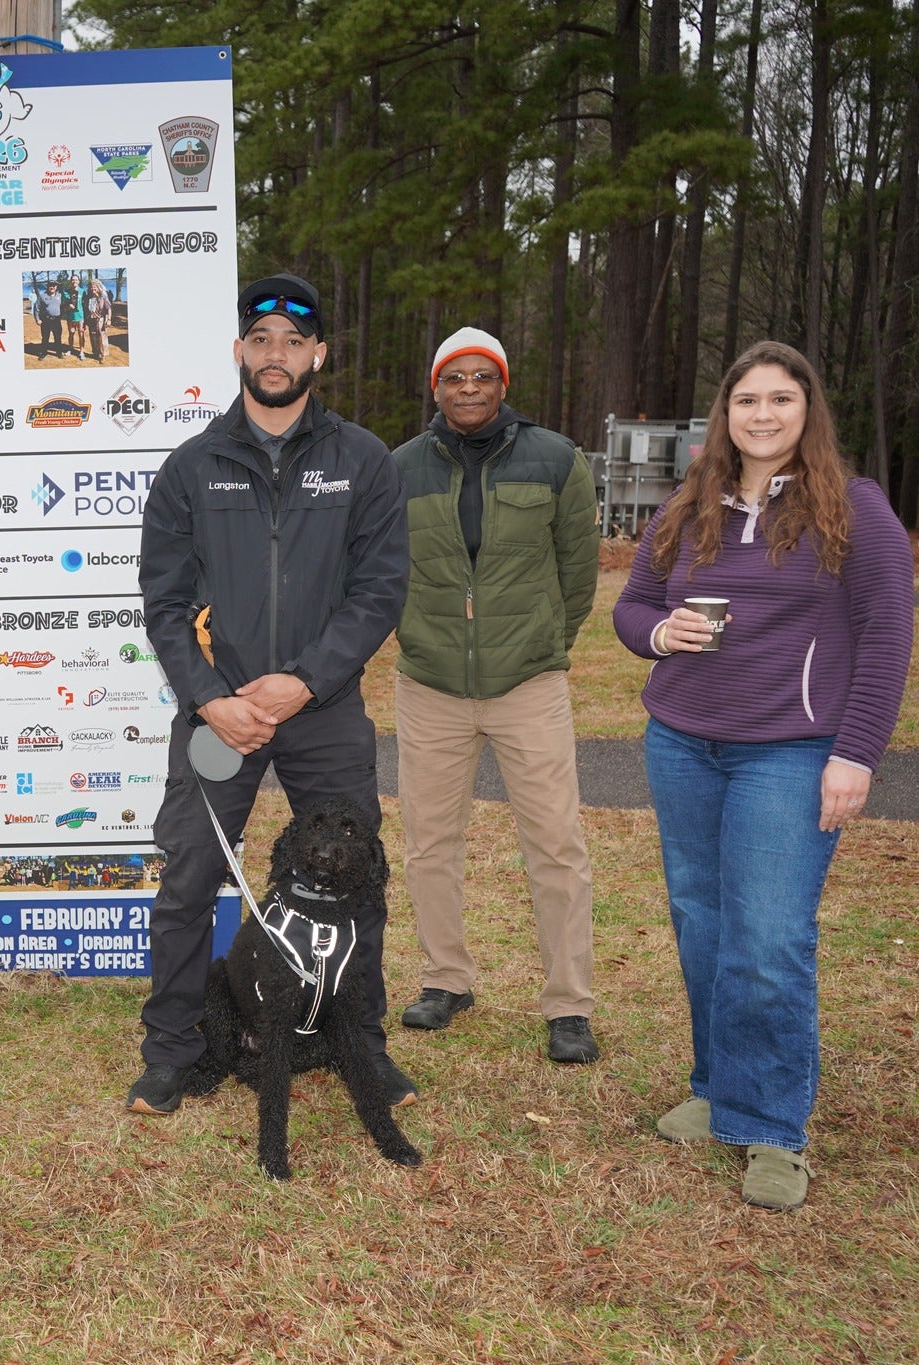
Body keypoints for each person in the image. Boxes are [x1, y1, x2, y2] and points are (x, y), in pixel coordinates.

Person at [613, 340, 912, 1212]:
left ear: (807, 410)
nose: (764, 414)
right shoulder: (686, 504)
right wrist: (662, 635)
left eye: (782, 399)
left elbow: (887, 638)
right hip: (682, 742)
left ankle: (773, 1125)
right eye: (748, 400)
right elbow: (635, 607)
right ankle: (717, 1087)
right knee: (701, 918)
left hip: (791, 751)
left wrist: (855, 753)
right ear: (726, 414)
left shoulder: (854, 509)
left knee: (772, 935)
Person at [127, 272, 411, 1117]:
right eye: (262, 340)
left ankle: (364, 1043)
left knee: (358, 884)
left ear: (319, 352)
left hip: (324, 714)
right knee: (187, 882)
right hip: (223, 716)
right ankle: (172, 1049)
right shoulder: (193, 466)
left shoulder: (362, 460)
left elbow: (379, 590)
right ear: (240, 352)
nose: (277, 355)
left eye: (294, 341)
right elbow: (165, 603)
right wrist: (213, 699)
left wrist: (306, 679)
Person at [388, 327, 603, 1064]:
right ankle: (446, 978)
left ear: (503, 383)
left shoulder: (556, 459)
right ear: (435, 387)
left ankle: (569, 1004)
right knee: (429, 844)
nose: (469, 388)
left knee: (555, 844)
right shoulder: (400, 468)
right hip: (431, 683)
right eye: (455, 377)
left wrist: (544, 641)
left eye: (483, 376)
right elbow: (381, 570)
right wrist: (415, 636)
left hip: (528, 681)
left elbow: (578, 572)